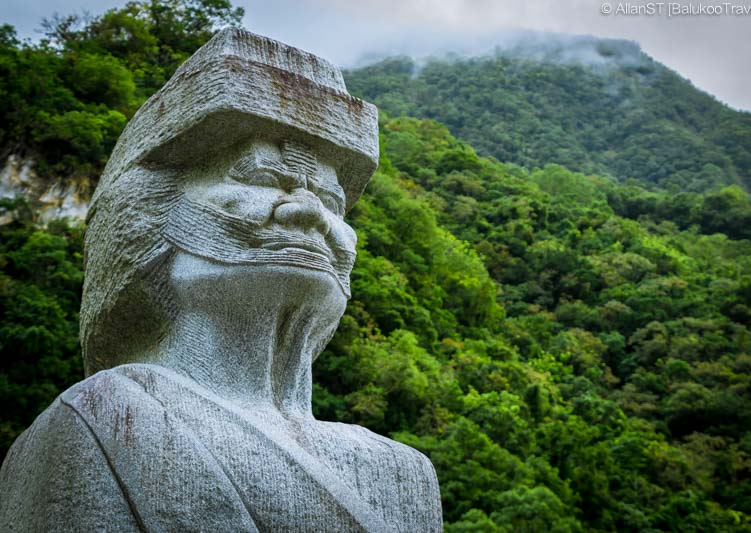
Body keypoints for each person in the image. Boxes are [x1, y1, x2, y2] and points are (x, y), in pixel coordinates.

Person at [0, 28, 443, 532]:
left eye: (332, 201)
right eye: (260, 179)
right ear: (152, 211)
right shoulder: (98, 420)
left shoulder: (406, 474)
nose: (309, 213)